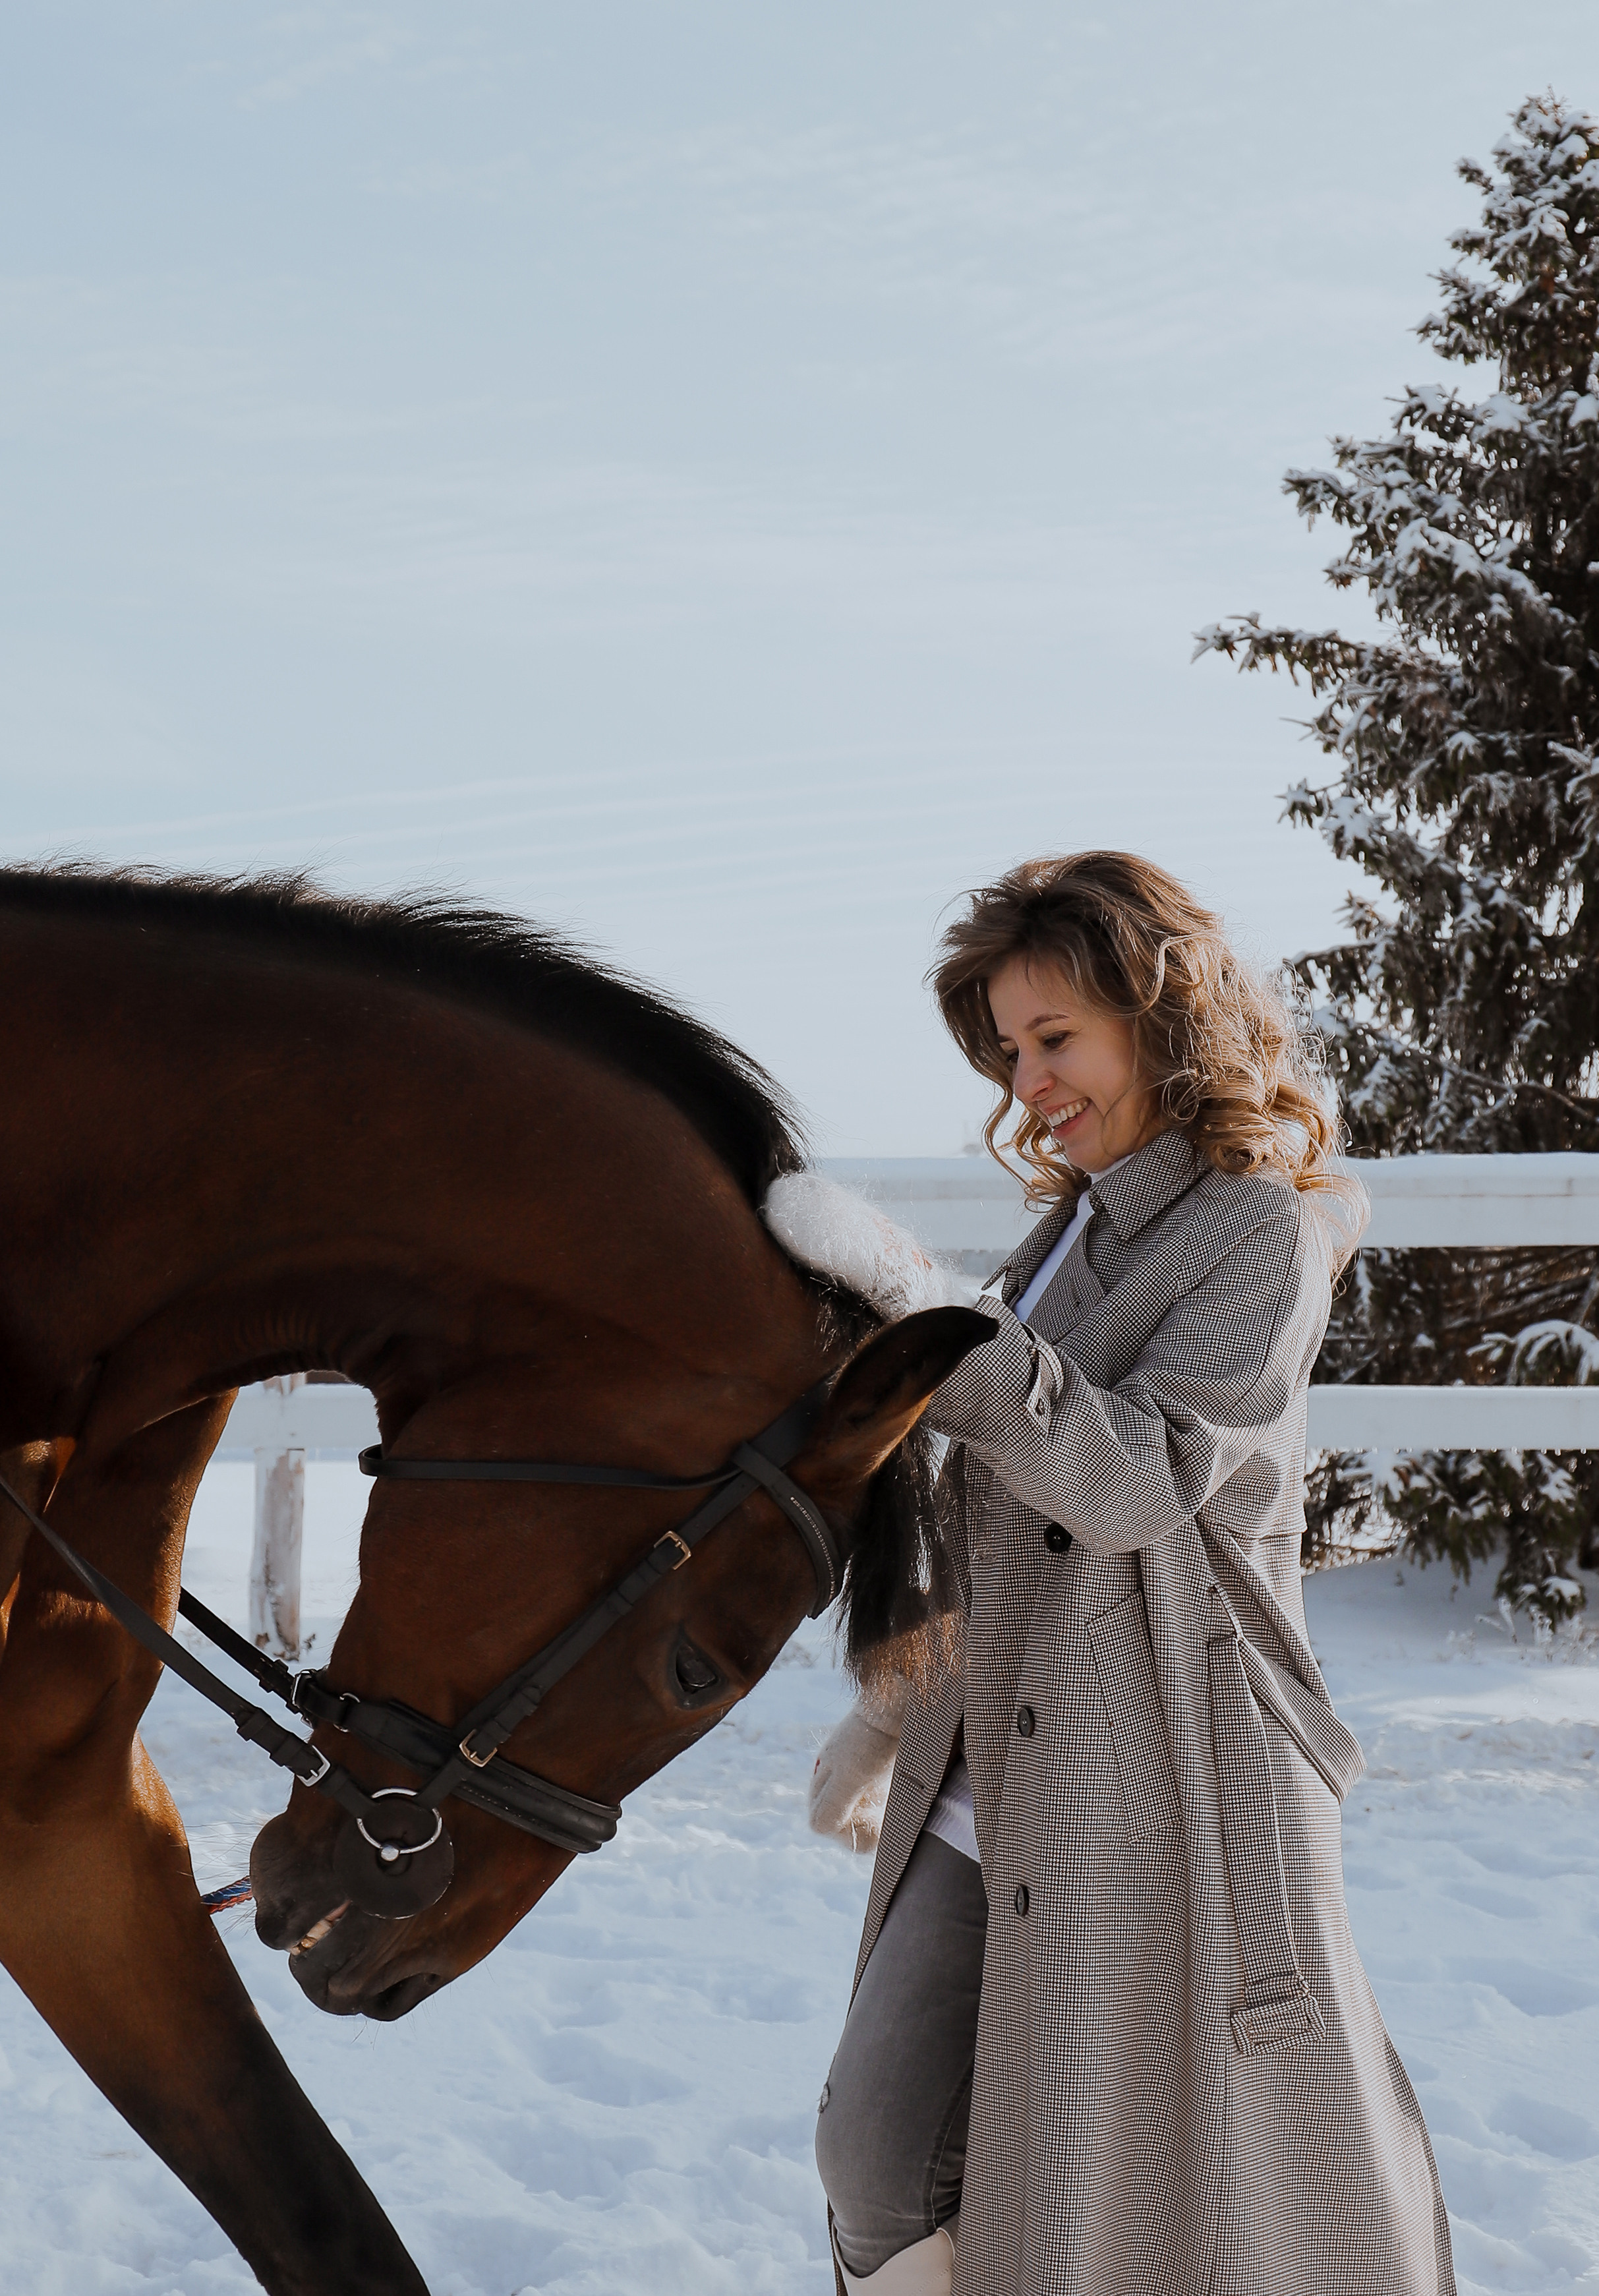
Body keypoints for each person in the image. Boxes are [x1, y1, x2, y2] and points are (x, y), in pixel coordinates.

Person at [809, 853, 1454, 2296]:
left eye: (1055, 1040)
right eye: (1008, 1047)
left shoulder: (1263, 1232)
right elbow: (987, 1486)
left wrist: (946, 1332)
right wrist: (890, 1692)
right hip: (990, 1752)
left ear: (1159, 1018)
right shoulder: (1073, 1226)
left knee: (1150, 2176)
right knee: (881, 2149)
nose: (1026, 1081)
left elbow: (1133, 1479)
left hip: (1157, 1768)